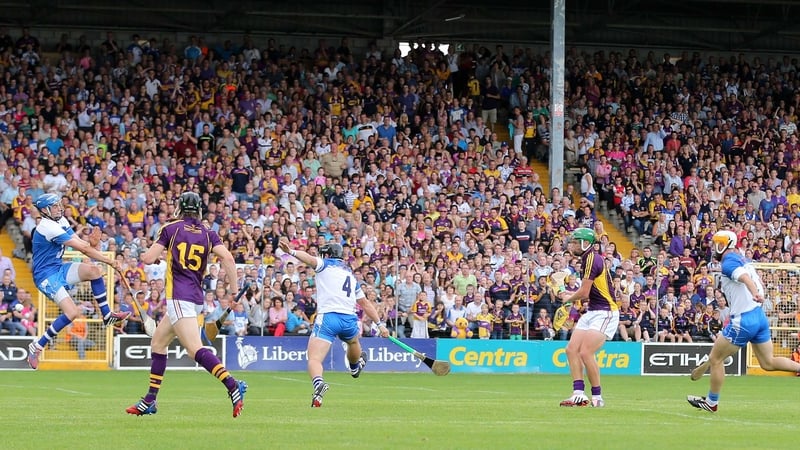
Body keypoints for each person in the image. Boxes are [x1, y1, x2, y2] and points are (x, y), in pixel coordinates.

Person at [126, 192, 247, 418]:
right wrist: (232, 291)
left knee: (194, 349)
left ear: (179, 208)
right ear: (199, 210)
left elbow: (148, 259)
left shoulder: (170, 228)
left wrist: (143, 252)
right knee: (158, 343)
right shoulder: (209, 233)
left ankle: (233, 385)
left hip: (178, 298)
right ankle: (151, 399)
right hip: (194, 298)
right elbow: (229, 259)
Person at [688, 231, 800, 412]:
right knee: (768, 363)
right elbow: (755, 280)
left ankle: (711, 402)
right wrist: (757, 293)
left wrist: (754, 292)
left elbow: (745, 278)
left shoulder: (729, 262)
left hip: (743, 320)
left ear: (725, 244)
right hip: (759, 317)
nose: (713, 246)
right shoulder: (745, 260)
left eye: (717, 243)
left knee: (716, 359)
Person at [278, 238, 389, 407]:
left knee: (314, 358)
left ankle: (318, 384)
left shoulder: (325, 265)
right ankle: (354, 367)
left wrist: (291, 251)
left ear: (329, 255)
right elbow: (365, 303)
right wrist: (380, 324)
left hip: (329, 317)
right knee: (353, 342)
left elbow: (308, 258)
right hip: (349, 319)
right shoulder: (351, 277)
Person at [27, 193, 130, 369]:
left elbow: (81, 243)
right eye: (55, 206)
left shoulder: (61, 221)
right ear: (45, 210)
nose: (60, 208)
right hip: (45, 276)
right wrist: (111, 261)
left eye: (59, 205)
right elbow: (83, 249)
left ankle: (106, 315)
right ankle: (37, 346)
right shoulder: (47, 227)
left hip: (58, 268)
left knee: (94, 271)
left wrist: (93, 243)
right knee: (72, 312)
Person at [560, 228, 619, 408]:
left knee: (585, 352)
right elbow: (587, 292)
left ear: (586, 243)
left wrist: (568, 297)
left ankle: (597, 396)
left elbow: (584, 292)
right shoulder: (587, 258)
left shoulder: (592, 259)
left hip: (606, 311)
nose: (573, 245)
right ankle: (578, 394)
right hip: (593, 310)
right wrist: (570, 294)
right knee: (571, 350)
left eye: (577, 242)